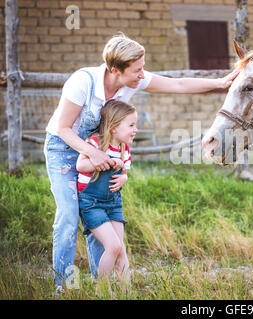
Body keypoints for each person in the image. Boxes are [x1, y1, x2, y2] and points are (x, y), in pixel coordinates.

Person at [44, 33, 239, 294]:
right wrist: (93, 155)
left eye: (142, 68)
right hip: (65, 149)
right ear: (115, 70)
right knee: (68, 215)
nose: (142, 74)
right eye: (137, 70)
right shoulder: (83, 82)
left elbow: (178, 85)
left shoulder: (131, 81)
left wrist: (220, 83)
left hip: (102, 153)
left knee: (96, 211)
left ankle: (99, 283)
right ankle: (62, 286)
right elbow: (63, 128)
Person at [76, 100, 135, 285]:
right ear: (113, 127)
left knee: (121, 249)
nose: (136, 129)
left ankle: (127, 292)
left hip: (113, 203)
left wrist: (123, 178)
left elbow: (124, 172)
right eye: (131, 125)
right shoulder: (96, 142)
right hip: (92, 203)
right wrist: (106, 161)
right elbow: (80, 165)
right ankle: (102, 289)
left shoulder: (125, 148)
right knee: (113, 246)